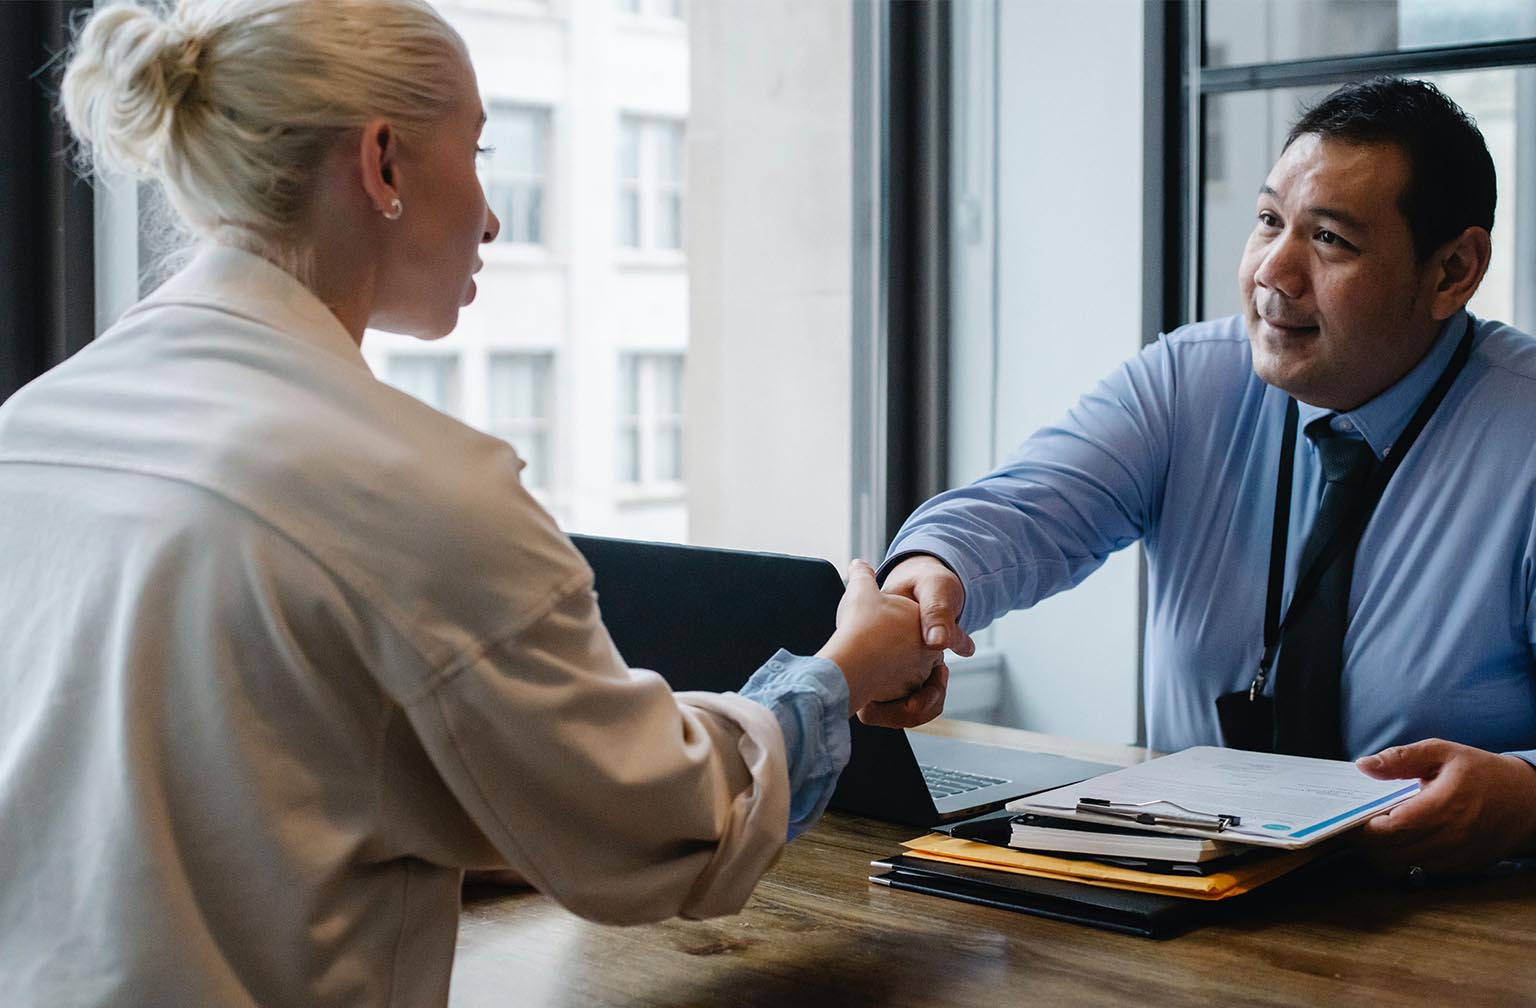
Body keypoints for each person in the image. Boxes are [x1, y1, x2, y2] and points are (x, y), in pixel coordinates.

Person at [0, 1, 946, 1004]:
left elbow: (214, 796)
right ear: (383, 164)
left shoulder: (32, 430)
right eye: (477, 151)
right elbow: (658, 826)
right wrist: (846, 669)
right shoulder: (411, 487)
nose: (492, 216)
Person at [881, 76, 1536, 878]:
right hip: (1193, 910)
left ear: (1452, 271)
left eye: (1330, 240)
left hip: (1455, 932)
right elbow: (1022, 512)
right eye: (1269, 223)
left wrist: (1524, 796)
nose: (1274, 273)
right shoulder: (1191, 380)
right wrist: (928, 579)